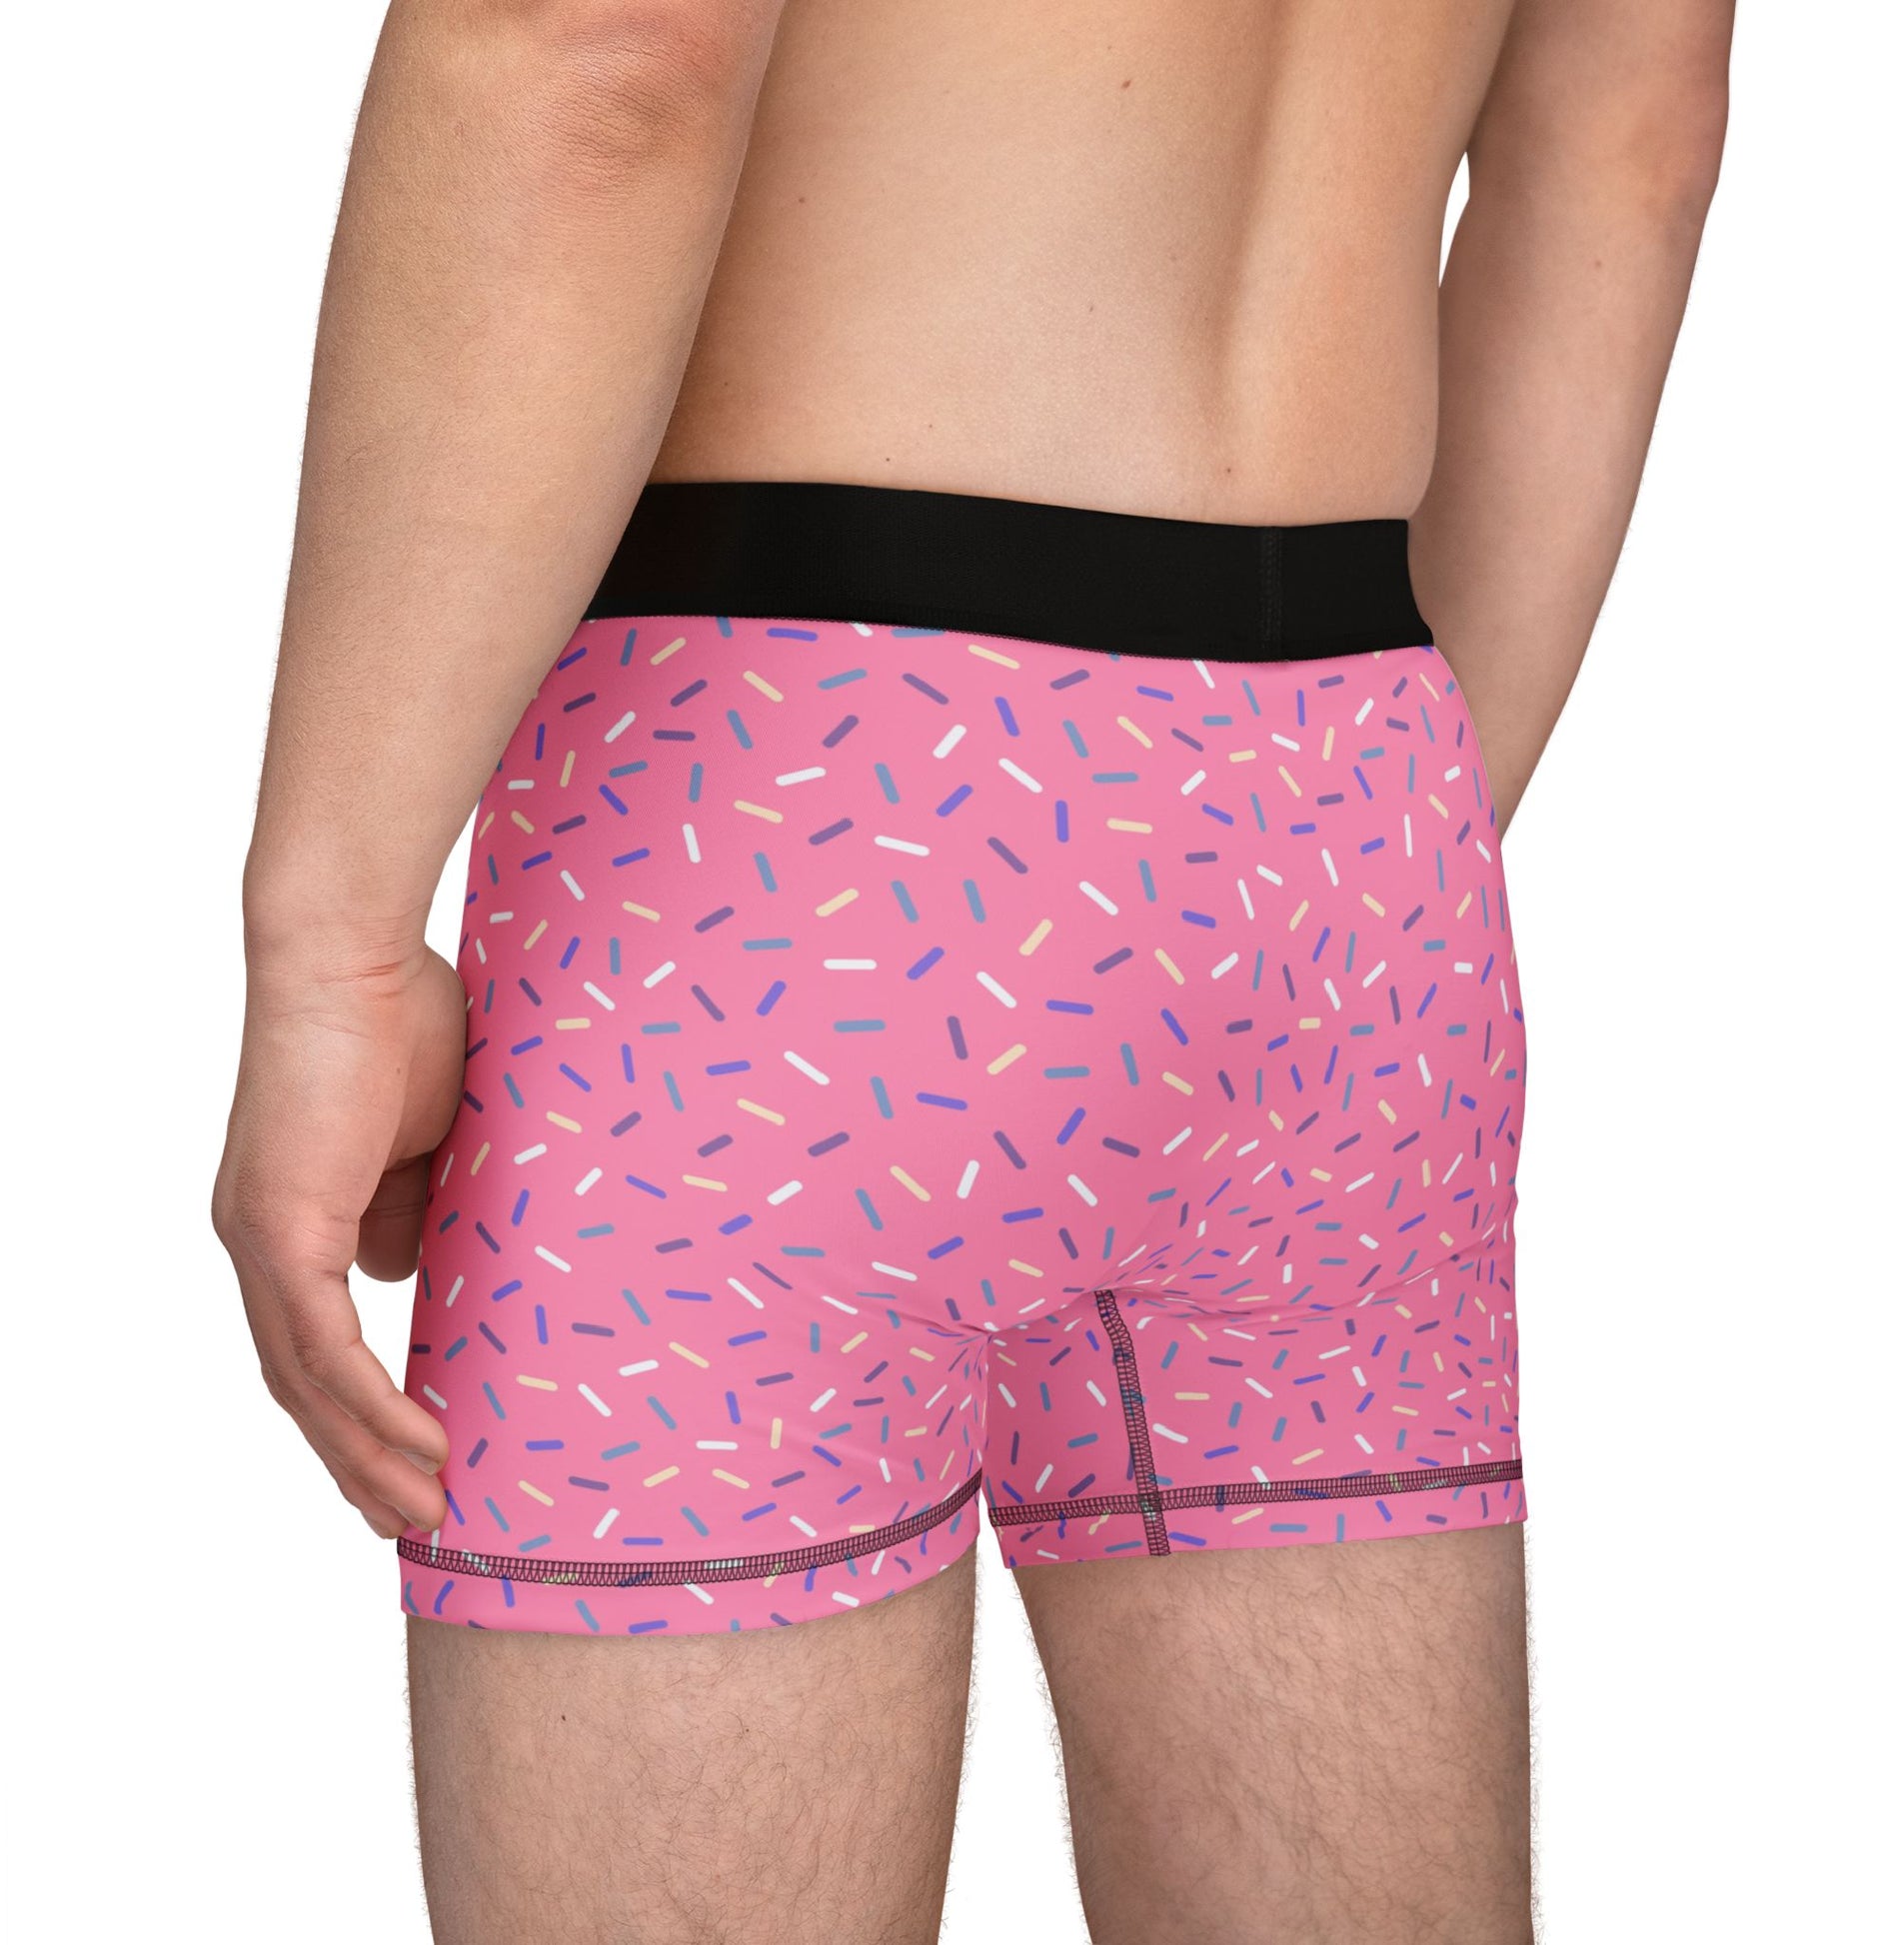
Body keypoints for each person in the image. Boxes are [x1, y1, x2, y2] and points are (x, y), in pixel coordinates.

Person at [212, 0, 1732, 1937]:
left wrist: (332, 936)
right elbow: (1631, 127)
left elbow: (598, 42)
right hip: (1347, 827)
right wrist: (1348, 835)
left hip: (778, 830)